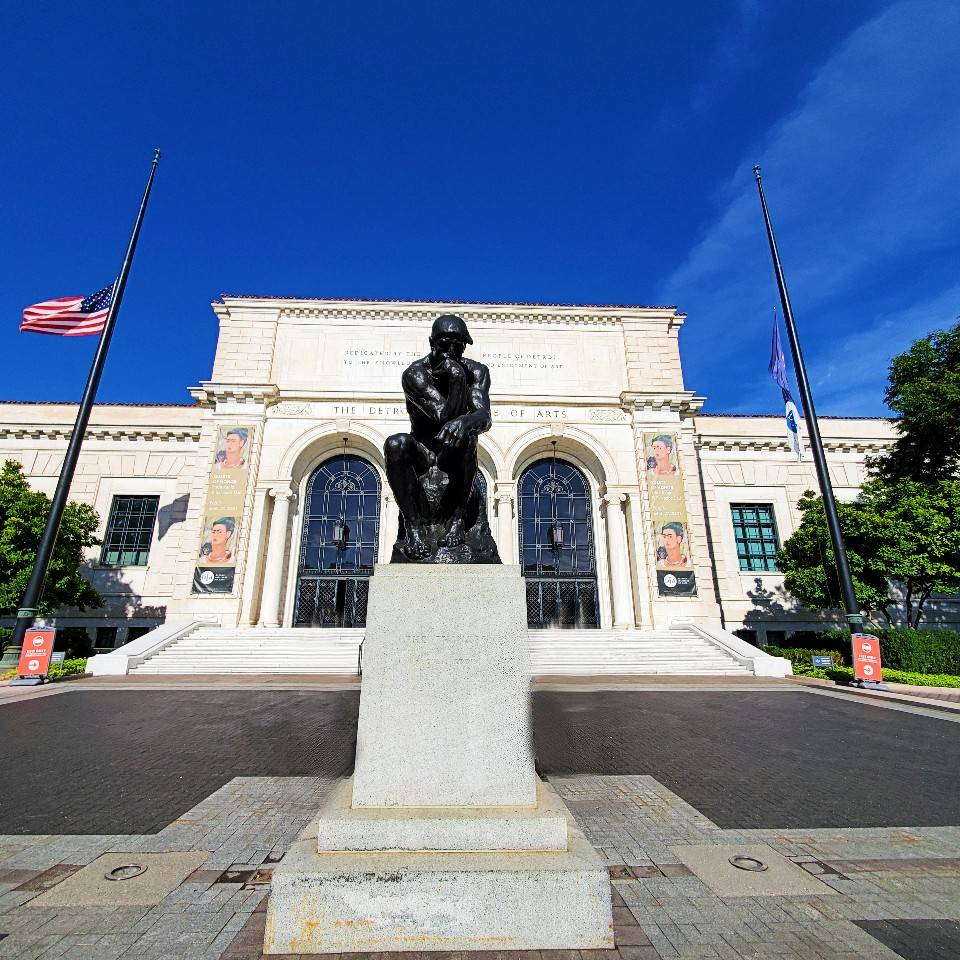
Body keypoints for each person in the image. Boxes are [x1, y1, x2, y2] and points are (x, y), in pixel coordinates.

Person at [384, 314, 493, 560]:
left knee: (467, 437)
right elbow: (440, 415)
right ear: (432, 342)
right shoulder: (415, 374)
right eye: (445, 343)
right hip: (423, 451)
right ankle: (413, 527)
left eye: (459, 345)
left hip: (452, 454)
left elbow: (484, 417)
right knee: (395, 443)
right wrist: (456, 379)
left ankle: (457, 519)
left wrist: (465, 421)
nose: (452, 350)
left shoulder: (477, 371)